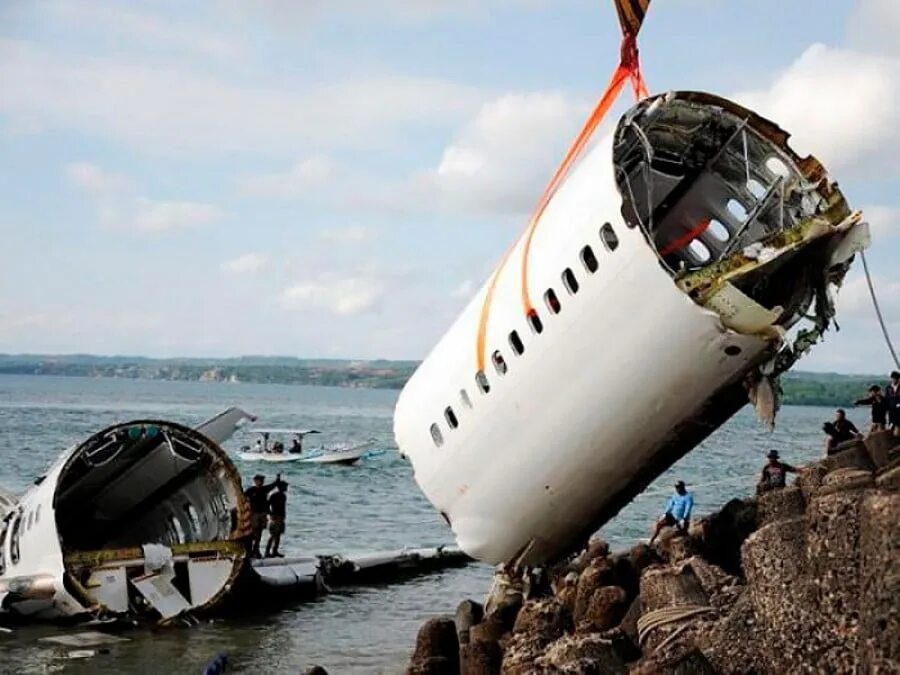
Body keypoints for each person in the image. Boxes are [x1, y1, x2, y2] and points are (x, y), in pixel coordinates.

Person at [244, 473, 280, 558]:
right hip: (254, 514)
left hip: (262, 514)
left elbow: (273, 485)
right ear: (255, 481)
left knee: (259, 532)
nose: (261, 482)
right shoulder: (251, 490)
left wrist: (277, 479)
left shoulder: (264, 489)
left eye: (262, 481)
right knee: (253, 532)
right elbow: (242, 497)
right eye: (260, 480)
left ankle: (256, 549)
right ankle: (250, 550)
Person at [649, 480, 693, 545]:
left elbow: (688, 508)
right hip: (673, 516)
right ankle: (651, 541)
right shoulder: (675, 495)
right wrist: (665, 513)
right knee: (659, 524)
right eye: (676, 487)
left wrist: (684, 518)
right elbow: (670, 505)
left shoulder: (688, 497)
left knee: (682, 533)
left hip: (682, 519)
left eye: (678, 487)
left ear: (682, 488)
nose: (677, 489)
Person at [265, 480, 288, 558]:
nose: (286, 488)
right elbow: (267, 505)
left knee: (278, 535)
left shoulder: (283, 496)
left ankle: (275, 551)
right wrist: (270, 513)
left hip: (281, 517)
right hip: (275, 517)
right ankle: (267, 552)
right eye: (285, 486)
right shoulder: (274, 495)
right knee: (273, 535)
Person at [886, 371, 900, 437]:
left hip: (899, 411)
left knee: (897, 429)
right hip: (891, 410)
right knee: (891, 426)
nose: (893, 380)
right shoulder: (888, 388)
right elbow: (887, 399)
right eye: (892, 378)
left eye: (895, 379)